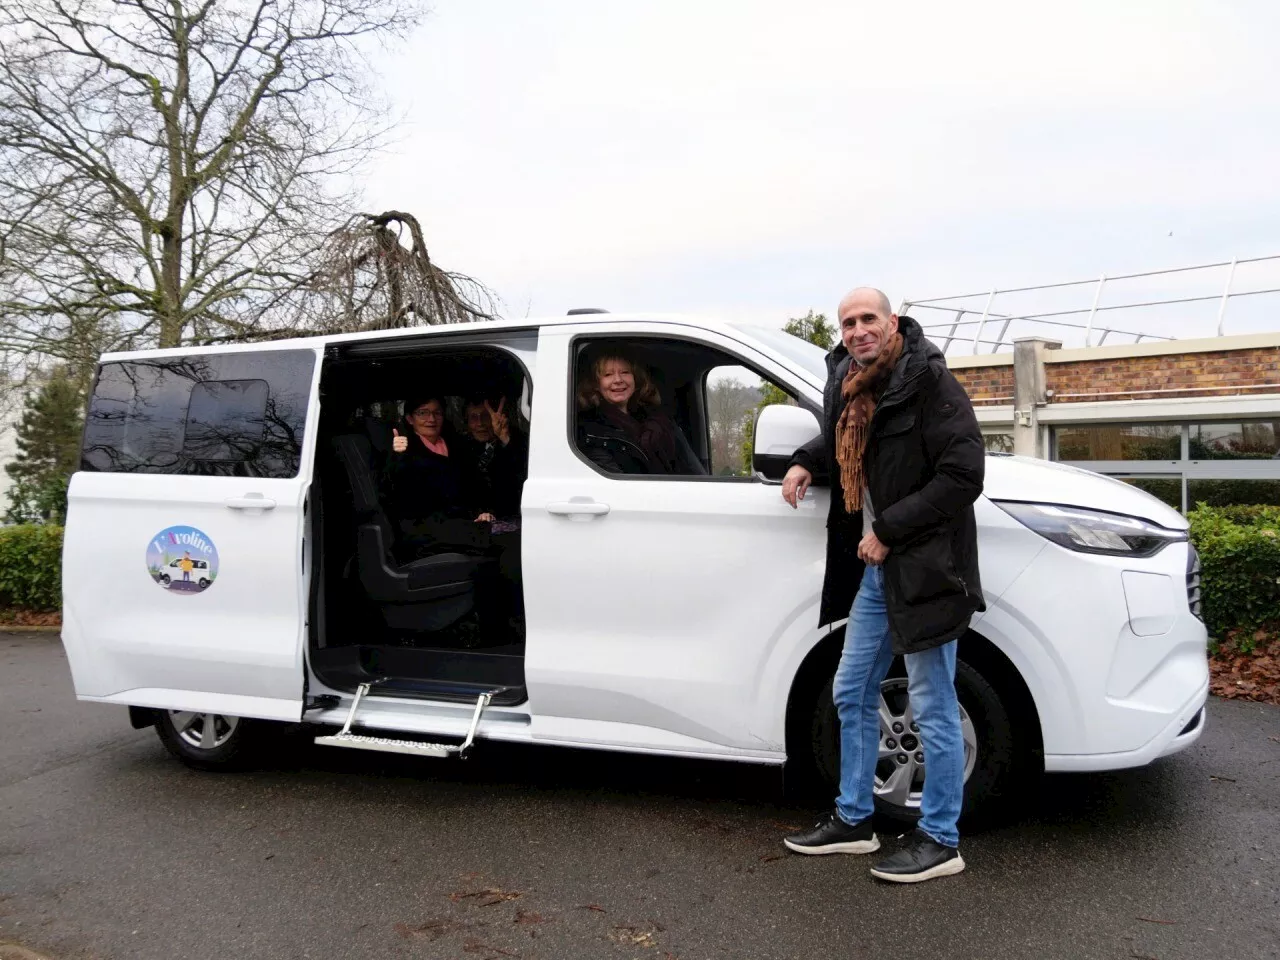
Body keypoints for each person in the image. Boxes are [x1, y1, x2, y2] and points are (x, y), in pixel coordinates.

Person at [780, 287, 985, 884]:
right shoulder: (851, 383)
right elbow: (845, 441)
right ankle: (855, 821)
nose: (857, 329)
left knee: (933, 704)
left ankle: (942, 840)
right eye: (848, 322)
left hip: (924, 567)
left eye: (868, 318)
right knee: (851, 690)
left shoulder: (929, 382)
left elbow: (963, 473)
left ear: (892, 322)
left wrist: (890, 530)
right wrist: (803, 459)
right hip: (875, 571)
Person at [384, 395, 490, 556]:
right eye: (423, 413)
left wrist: (481, 512)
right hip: (425, 529)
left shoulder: (457, 445)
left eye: (437, 413)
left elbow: (473, 486)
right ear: (410, 419)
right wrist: (398, 456)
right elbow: (397, 492)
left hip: (462, 522)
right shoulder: (403, 449)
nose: (431, 419)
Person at [575, 349, 705, 475]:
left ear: (635, 379)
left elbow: (694, 472)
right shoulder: (591, 432)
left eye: (625, 372)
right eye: (608, 375)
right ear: (596, 385)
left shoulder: (662, 421)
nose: (618, 380)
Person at [455, 396, 527, 524]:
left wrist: (505, 439)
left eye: (486, 416)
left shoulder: (516, 440)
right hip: (474, 520)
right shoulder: (460, 446)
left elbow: (522, 472)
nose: (480, 423)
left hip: (513, 518)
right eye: (473, 417)